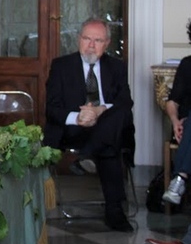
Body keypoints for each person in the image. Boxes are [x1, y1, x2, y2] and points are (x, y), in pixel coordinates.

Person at [43, 17, 135, 232]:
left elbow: (125, 101)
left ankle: (86, 155)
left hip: (106, 128)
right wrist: (79, 117)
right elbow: (52, 108)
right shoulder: (61, 66)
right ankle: (114, 211)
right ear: (78, 40)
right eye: (87, 39)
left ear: (107, 43)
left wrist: (99, 111)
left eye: (98, 40)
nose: (91, 45)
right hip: (74, 130)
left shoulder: (116, 67)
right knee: (109, 143)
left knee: (116, 118)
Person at [162, 15, 191, 204]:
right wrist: (175, 121)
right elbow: (172, 101)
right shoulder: (188, 64)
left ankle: (180, 178)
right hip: (184, 125)